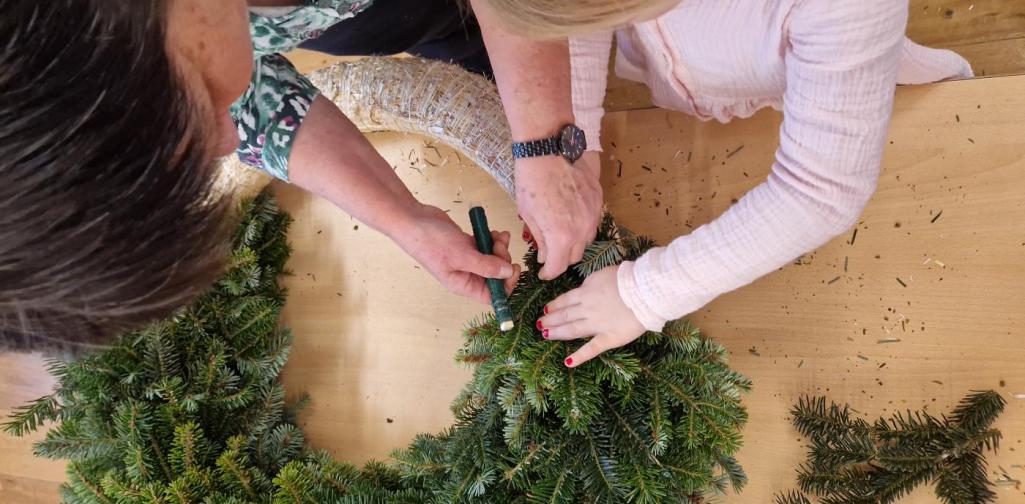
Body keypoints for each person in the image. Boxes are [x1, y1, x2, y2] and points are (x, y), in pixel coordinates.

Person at [1, 0, 599, 351]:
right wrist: (407, 221)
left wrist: (549, 140)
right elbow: (257, 104)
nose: (231, 139)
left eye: (201, 102)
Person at [509, 0, 974, 367]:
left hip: (851, 107)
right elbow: (580, 16)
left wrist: (642, 295)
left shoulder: (845, 10)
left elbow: (821, 191)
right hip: (700, 106)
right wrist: (578, 144)